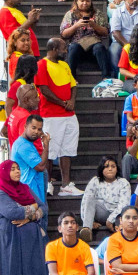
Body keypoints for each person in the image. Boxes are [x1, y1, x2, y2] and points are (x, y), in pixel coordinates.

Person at [0, 121, 48, 275]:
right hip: (12, 243)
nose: (17, 172)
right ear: (5, 173)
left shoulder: (25, 189)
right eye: (13, 169)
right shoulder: (1, 192)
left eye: (18, 169)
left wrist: (29, 216)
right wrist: (32, 210)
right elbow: (11, 211)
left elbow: (44, 208)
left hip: (32, 242)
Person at [35, 38, 82, 195]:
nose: (66, 51)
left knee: (67, 149)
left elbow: (73, 85)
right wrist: (63, 103)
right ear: (54, 48)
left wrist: (72, 101)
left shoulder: (65, 65)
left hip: (69, 114)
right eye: (63, 48)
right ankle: (47, 184)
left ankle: (66, 185)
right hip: (51, 115)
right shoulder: (41, 64)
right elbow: (44, 90)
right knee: (50, 151)